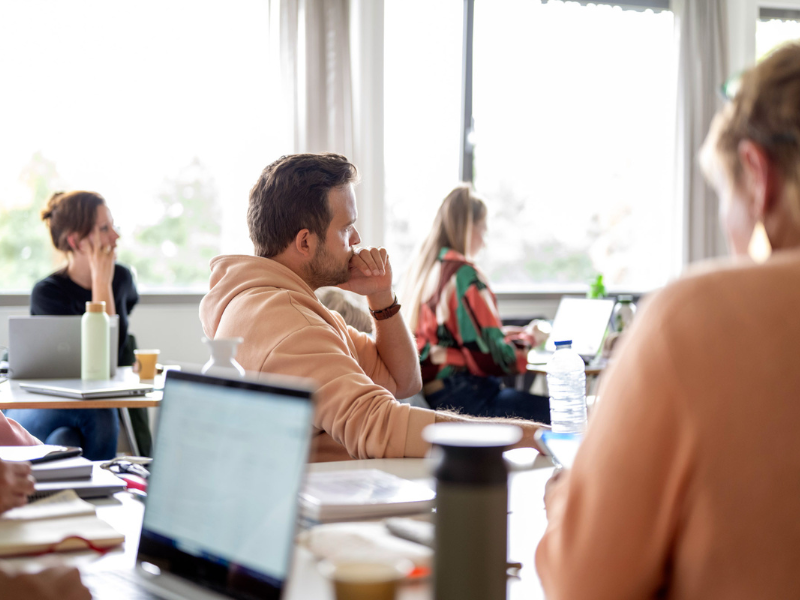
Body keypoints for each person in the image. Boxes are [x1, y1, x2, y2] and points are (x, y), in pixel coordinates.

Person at [535, 42, 800, 598]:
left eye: (725, 194)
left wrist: (568, 500)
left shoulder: (699, 319)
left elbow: (584, 585)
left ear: (758, 175)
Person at [199, 153, 546, 462]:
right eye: (346, 227)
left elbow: (404, 380)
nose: (356, 240)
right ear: (305, 241)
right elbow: (380, 426)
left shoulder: (271, 304)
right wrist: (529, 437)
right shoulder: (288, 324)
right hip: (323, 510)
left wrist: (382, 299)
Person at [5, 190, 148, 460]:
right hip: (41, 404)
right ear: (77, 242)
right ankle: (102, 493)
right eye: (104, 229)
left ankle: (71, 495)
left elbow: (109, 359)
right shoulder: (47, 293)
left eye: (113, 227)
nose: (115, 237)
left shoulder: (122, 280)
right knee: (101, 413)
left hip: (85, 407)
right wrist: (101, 284)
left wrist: (104, 283)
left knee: (65, 440)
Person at [400, 185, 550, 422]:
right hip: (467, 396)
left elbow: (458, 341)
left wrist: (507, 336)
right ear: (469, 228)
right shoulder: (464, 275)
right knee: (563, 413)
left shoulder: (427, 270)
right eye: (483, 230)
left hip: (437, 394)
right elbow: (492, 359)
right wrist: (530, 339)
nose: (484, 242)